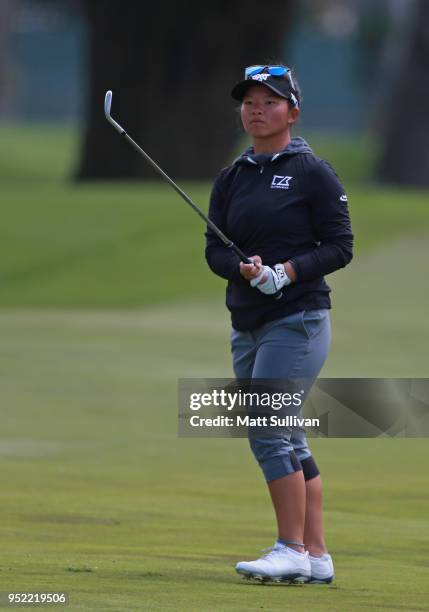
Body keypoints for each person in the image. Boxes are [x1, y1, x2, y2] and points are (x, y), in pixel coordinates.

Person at [205, 64, 353, 584]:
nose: (256, 109)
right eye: (249, 101)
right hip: (247, 322)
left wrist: (286, 272)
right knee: (287, 434)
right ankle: (315, 556)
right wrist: (245, 270)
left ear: (292, 111)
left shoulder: (314, 172)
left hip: (299, 318)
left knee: (267, 426)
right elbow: (214, 251)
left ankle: (288, 546)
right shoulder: (232, 177)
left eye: (269, 101)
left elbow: (340, 246)